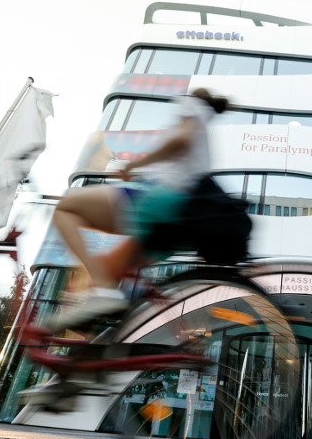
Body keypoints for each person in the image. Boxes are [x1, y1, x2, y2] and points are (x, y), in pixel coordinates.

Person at [49, 88, 229, 328]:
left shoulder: (192, 106)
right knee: (104, 272)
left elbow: (180, 140)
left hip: (158, 205)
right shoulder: (205, 129)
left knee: (66, 208)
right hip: (175, 224)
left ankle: (103, 295)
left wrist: (134, 166)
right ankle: (97, 347)